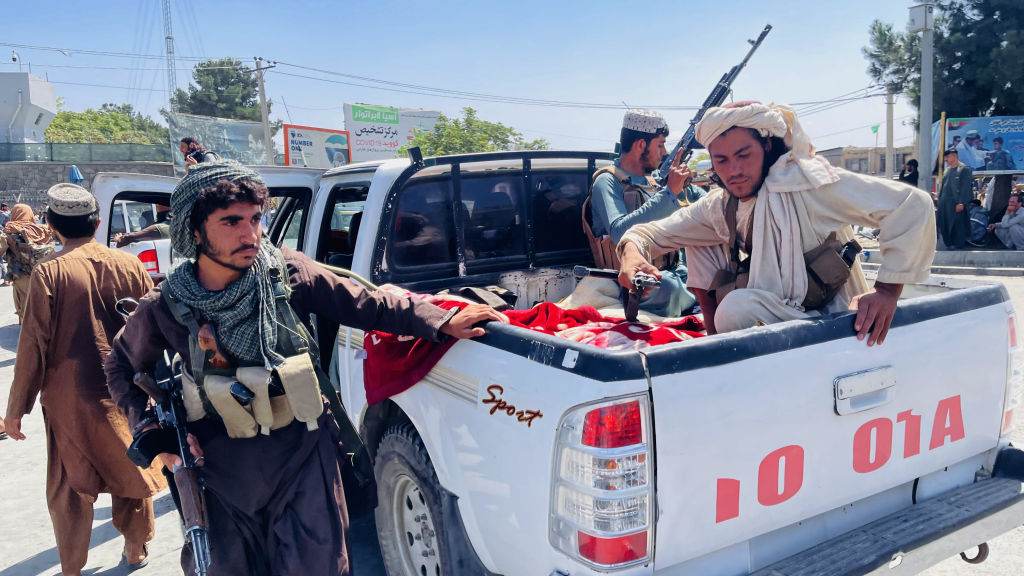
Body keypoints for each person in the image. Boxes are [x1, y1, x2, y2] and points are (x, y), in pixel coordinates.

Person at [105, 161, 506, 575]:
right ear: (194, 231)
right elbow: (119, 366)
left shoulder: (287, 271)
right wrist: (156, 437)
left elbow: (365, 303)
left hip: (301, 455)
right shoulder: (166, 305)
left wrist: (437, 320)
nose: (250, 234)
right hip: (219, 470)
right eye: (231, 222)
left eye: (256, 218)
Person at [615, 101, 935, 345]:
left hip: (837, 323)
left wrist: (887, 292)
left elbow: (912, 204)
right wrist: (632, 255)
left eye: (744, 155)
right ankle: (715, 344)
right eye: (722, 160)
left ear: (766, 147)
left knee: (735, 310)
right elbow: (650, 232)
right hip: (778, 317)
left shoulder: (806, 184)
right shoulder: (720, 205)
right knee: (702, 239)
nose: (734, 170)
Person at [3, 183, 165, 575]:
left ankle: (72, 566)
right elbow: (152, 330)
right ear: (96, 223)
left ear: (53, 225)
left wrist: (14, 411)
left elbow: (33, 349)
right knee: (132, 467)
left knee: (70, 485)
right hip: (127, 392)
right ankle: (135, 548)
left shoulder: (50, 274)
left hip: (70, 399)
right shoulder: (129, 265)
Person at [586, 109, 704, 318]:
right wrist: (669, 193)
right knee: (669, 287)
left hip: (675, 271)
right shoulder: (607, 182)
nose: (664, 151)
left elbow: (705, 202)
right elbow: (619, 231)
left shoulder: (655, 180)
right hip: (632, 280)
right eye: (660, 145)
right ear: (641, 145)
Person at [0, 204, 55, 322]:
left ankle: (31, 334)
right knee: (42, 301)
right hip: (44, 273)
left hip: (22, 275)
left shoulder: (10, 230)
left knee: (25, 305)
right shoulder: (42, 230)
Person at [937, 148, 975, 250]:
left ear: (954, 156)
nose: (946, 159)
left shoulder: (964, 169)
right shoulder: (947, 170)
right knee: (944, 224)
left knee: (957, 224)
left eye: (947, 157)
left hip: (956, 203)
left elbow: (965, 188)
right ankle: (949, 244)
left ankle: (958, 245)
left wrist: (961, 203)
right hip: (944, 204)